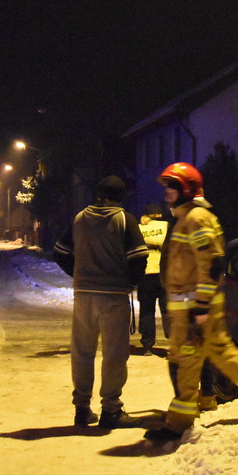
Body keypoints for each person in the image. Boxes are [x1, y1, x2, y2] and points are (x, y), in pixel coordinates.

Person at [145, 163, 238, 443]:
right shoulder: (187, 217)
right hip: (193, 306)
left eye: (172, 186)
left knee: (183, 361)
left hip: (195, 307)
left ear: (185, 189)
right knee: (221, 352)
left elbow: (212, 262)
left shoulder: (196, 218)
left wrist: (202, 307)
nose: (167, 192)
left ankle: (177, 423)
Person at [53, 175, 148, 429]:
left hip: (83, 295)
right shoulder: (124, 219)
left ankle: (82, 409)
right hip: (114, 295)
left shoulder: (80, 218)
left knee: (82, 352)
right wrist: (132, 282)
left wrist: (79, 274)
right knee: (114, 354)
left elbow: (60, 252)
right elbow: (138, 257)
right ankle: (111, 409)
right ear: (121, 196)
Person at [137, 203, 170, 355]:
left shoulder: (139, 229)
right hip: (164, 274)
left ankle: (147, 345)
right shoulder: (166, 226)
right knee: (168, 310)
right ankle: (174, 341)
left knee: (147, 310)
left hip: (145, 274)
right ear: (159, 214)